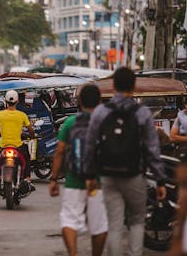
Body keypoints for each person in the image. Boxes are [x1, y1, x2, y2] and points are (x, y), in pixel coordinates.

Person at [83, 67, 167, 256]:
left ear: (113, 86)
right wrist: (160, 179)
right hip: (134, 175)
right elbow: (152, 149)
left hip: (107, 174)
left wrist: (89, 175)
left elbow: (90, 146)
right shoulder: (143, 113)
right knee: (137, 220)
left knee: (114, 223)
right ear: (134, 86)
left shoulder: (100, 112)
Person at [49, 84, 108, 256]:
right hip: (98, 182)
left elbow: (59, 151)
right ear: (99, 101)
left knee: (69, 220)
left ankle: (73, 254)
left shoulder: (70, 123)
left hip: (74, 180)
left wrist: (53, 179)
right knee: (99, 225)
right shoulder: (104, 123)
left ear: (79, 102)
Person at [0, 90, 35, 189]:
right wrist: (32, 135)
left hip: (4, 145)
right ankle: (27, 178)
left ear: (5, 101)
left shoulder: (0, 115)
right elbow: (31, 130)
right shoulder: (22, 115)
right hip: (18, 146)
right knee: (27, 158)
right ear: (17, 101)